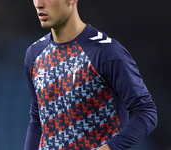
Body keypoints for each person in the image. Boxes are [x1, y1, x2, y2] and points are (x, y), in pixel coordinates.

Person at [24, 0, 157, 149]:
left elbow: (146, 112)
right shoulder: (34, 54)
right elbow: (38, 120)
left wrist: (109, 148)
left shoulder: (106, 51)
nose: (38, 4)